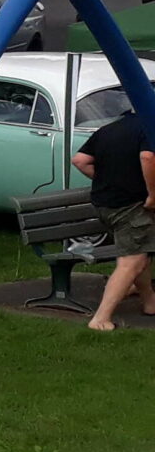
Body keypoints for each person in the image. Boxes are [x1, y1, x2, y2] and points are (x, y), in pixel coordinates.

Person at [71, 110, 155, 332]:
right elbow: (148, 157)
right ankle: (100, 318)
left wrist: (109, 181)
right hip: (131, 208)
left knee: (140, 252)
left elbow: (80, 160)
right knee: (132, 262)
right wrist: (152, 195)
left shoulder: (109, 128)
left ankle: (149, 301)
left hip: (104, 206)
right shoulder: (149, 127)